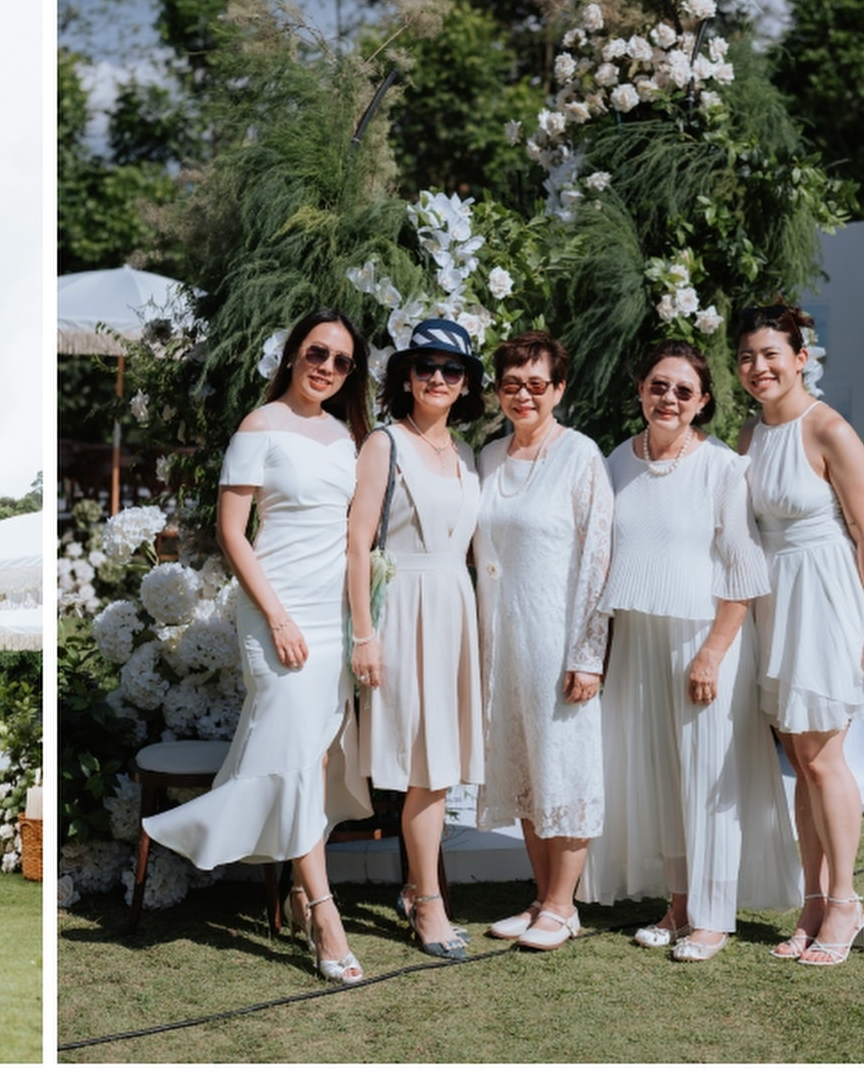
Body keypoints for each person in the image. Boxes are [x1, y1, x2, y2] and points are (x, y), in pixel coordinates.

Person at [142, 307, 368, 986]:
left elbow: (353, 537)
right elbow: (233, 533)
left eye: (341, 361)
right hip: (277, 614)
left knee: (312, 757)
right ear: (294, 354)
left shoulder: (346, 436)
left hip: (332, 620)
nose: (326, 367)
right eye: (317, 352)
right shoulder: (259, 426)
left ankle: (300, 891)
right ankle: (325, 914)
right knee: (294, 756)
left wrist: (360, 621)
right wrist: (277, 618)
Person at [586, 340, 799, 961]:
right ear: (641, 390)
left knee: (710, 777)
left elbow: (743, 568)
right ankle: (679, 905)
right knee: (661, 779)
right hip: (640, 640)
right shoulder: (616, 462)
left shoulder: (722, 467)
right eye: (659, 385)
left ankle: (713, 916)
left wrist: (712, 651)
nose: (669, 398)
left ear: (703, 401)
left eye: (684, 391)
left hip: (704, 638)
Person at [738, 304, 864, 966]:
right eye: (747, 357)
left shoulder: (829, 429)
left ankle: (846, 902)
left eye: (772, 354)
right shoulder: (750, 434)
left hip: (825, 599)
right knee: (800, 762)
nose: (758, 367)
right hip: (774, 601)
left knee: (825, 759)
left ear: (802, 358)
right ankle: (811, 900)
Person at [345, 316, 485, 961]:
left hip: (455, 610)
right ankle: (426, 902)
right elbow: (357, 543)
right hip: (402, 611)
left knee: (439, 767)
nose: (436, 377)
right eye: (424, 366)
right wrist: (366, 635)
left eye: (450, 369)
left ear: (465, 384)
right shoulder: (385, 443)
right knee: (418, 766)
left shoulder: (466, 453)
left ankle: (417, 889)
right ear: (406, 375)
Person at [472, 331, 613, 953]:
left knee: (565, 768)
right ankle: (541, 897)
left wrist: (588, 653)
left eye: (536, 383)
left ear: (558, 389)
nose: (523, 394)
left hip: (558, 638)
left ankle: (564, 904)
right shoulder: (487, 457)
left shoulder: (581, 455)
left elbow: (599, 559)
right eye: (511, 384)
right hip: (501, 641)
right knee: (525, 768)